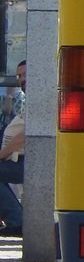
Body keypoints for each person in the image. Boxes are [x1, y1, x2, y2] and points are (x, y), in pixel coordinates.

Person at [0, 61, 27, 237]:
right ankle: (16, 218)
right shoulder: (30, 101)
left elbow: (25, 137)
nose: (21, 79)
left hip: (29, 162)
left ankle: (17, 220)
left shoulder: (41, 101)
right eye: (19, 76)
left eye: (25, 74)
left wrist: (1, 155)